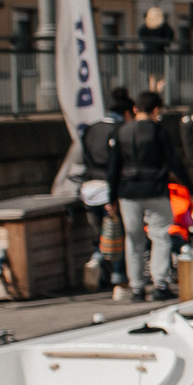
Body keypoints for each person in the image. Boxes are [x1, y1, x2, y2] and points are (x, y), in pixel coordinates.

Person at [105, 91, 189, 302]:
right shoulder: (158, 132)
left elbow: (113, 168)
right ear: (155, 110)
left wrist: (111, 197)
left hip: (127, 191)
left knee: (133, 239)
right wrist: (190, 187)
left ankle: (137, 288)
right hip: (155, 189)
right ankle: (160, 284)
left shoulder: (121, 132)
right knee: (160, 235)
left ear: (135, 109)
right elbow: (174, 161)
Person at [78, 85, 135, 291]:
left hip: (89, 188)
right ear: (127, 113)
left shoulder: (91, 129)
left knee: (101, 233)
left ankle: (96, 259)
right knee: (117, 234)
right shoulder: (120, 131)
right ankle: (119, 279)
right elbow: (117, 166)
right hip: (109, 189)